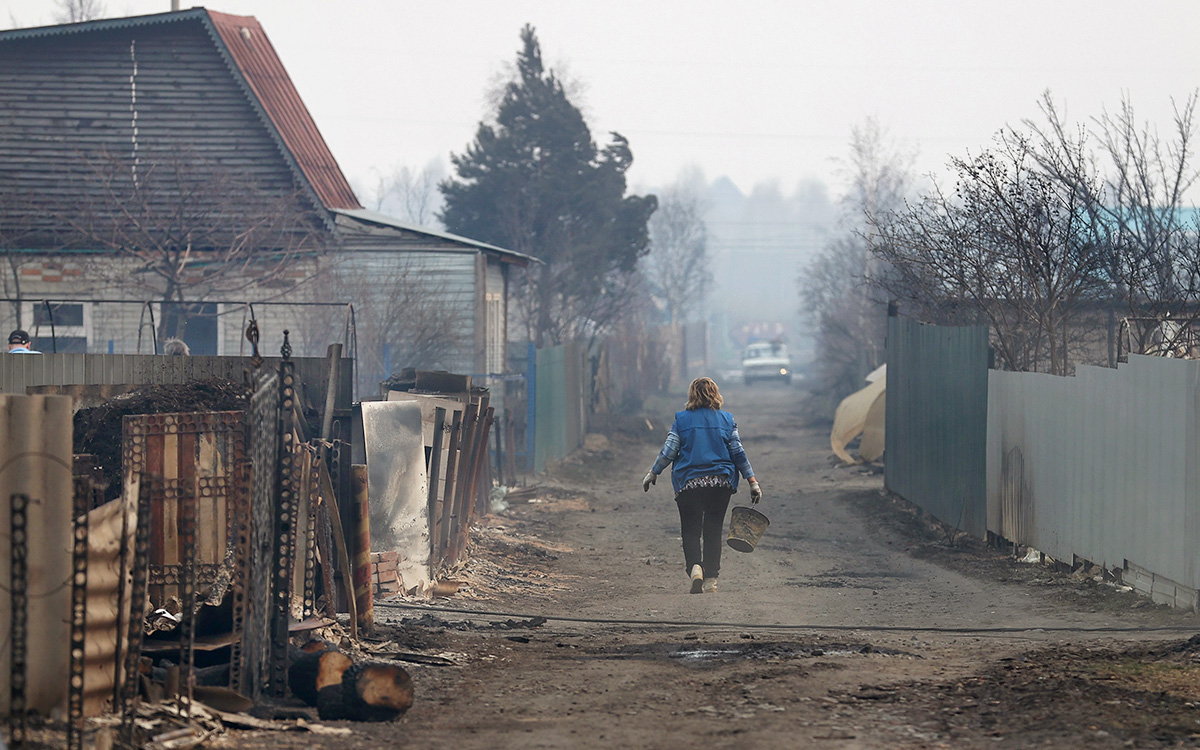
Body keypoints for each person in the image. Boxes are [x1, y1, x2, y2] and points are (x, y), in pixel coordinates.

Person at [642, 377, 762, 594]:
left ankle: (695, 568)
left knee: (690, 530)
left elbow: (669, 450)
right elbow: (738, 453)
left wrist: (653, 472)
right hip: (720, 483)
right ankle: (711, 580)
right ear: (715, 394)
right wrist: (752, 481)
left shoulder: (682, 421)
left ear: (691, 395)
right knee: (713, 530)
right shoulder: (726, 420)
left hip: (689, 483)